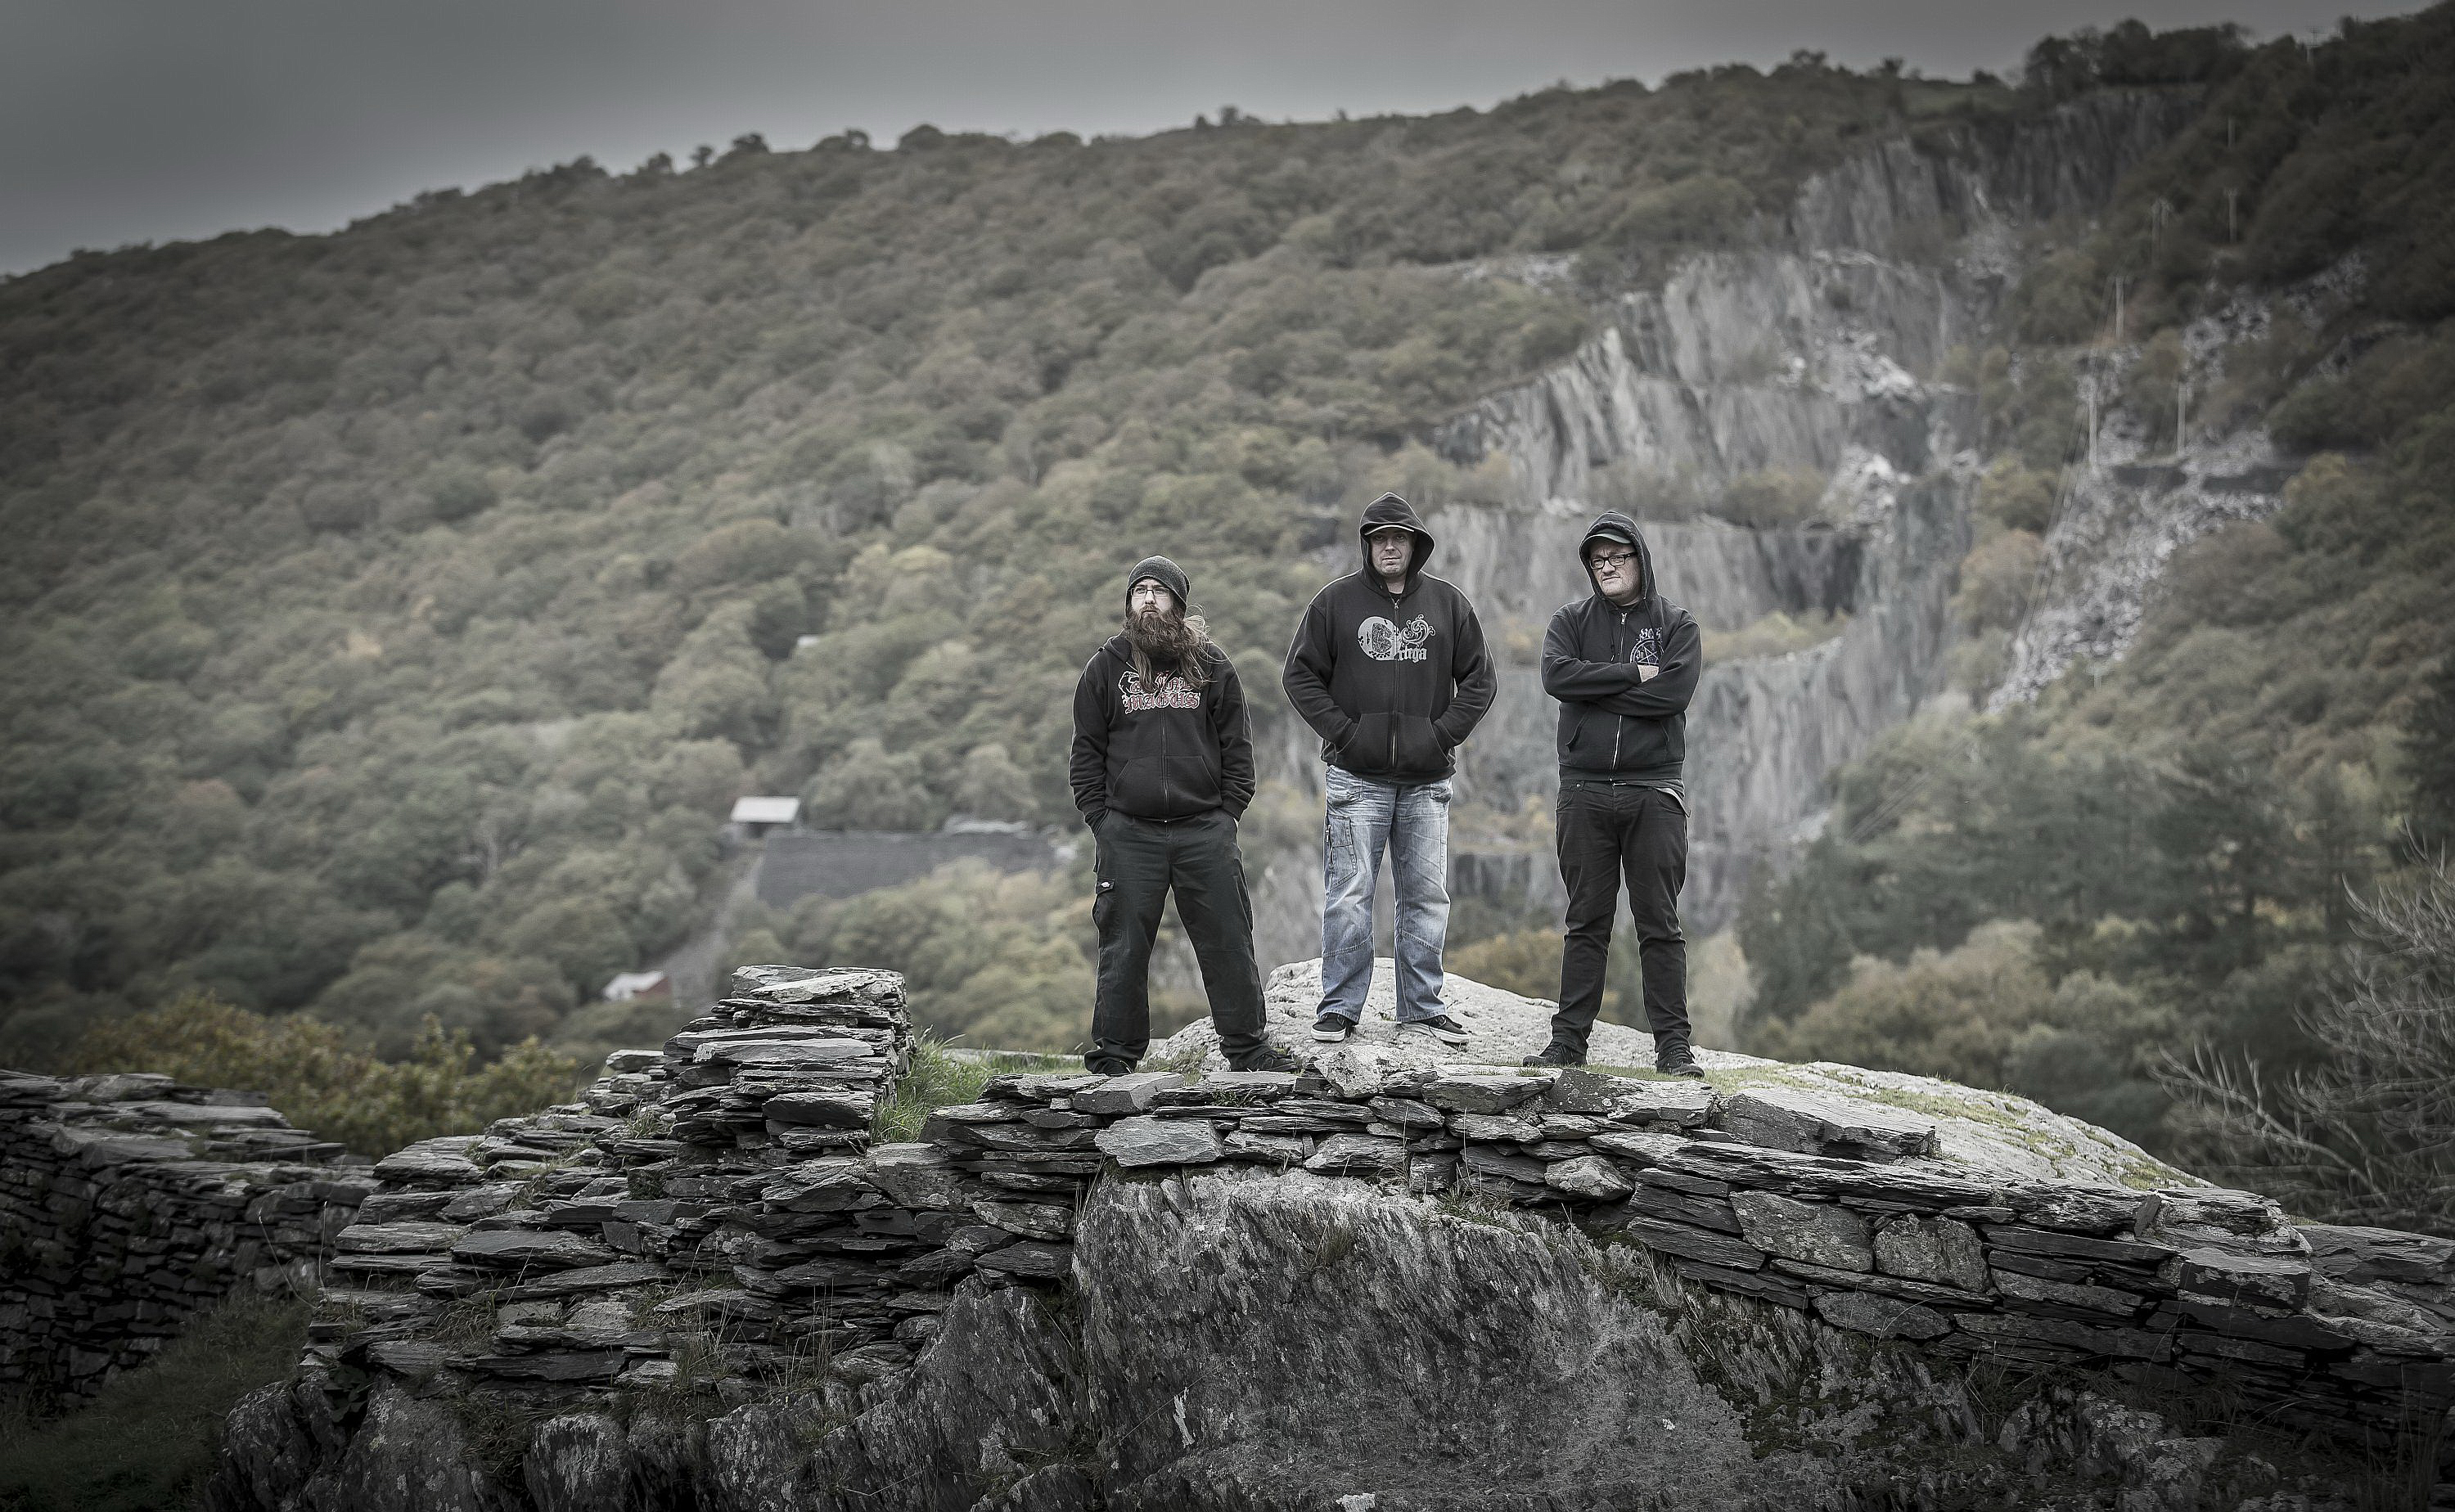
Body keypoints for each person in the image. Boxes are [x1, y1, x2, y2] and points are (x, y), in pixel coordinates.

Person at [1282, 493, 1497, 1047]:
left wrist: (1440, 736)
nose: (1390, 546)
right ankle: (1339, 1009)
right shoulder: (1334, 603)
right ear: (1367, 546)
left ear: (1416, 545)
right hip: (1356, 780)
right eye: (1379, 538)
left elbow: (1481, 680)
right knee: (1350, 894)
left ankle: (1422, 1007)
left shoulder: (1448, 604)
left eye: (1399, 538)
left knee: (1426, 895)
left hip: (1427, 782)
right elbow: (1299, 676)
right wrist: (1348, 734)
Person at [1070, 556, 1295, 1075]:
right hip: (1129, 832)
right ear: (1129, 603)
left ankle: (1247, 1049)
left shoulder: (1212, 666)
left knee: (1228, 938)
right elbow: (1085, 752)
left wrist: (1228, 812)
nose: (1149, 600)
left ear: (1179, 603)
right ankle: (1115, 1056)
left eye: (1160, 591)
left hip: (1204, 830)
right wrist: (1102, 820)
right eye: (1139, 591)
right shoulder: (1105, 668)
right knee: (1123, 946)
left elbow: (1238, 746)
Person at [1526, 511, 1706, 1076]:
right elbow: (1557, 678)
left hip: (1655, 792)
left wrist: (1594, 686)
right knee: (1586, 922)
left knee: (1659, 924)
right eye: (1597, 559)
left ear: (1640, 559)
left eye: (1617, 557)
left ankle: (1673, 1049)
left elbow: (1673, 695)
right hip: (1583, 791)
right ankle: (1567, 1045)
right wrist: (1632, 674)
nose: (1606, 567)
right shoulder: (1570, 621)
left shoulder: (1677, 625)